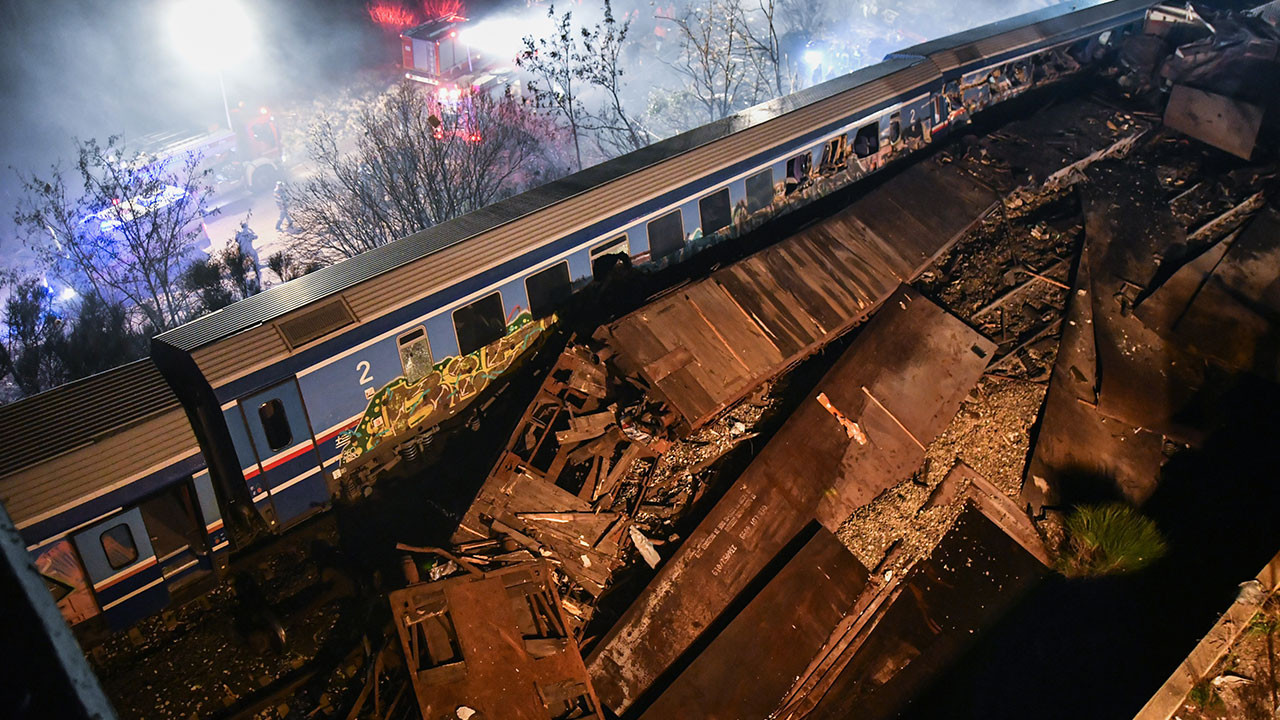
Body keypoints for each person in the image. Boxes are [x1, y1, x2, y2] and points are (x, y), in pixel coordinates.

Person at [235, 220, 262, 287]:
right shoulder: (248, 233)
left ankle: (240, 268)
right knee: (254, 255)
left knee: (242, 259)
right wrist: (251, 231)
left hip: (243, 250)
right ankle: (256, 264)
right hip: (249, 249)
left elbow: (236, 240)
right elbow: (256, 236)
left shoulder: (239, 234)